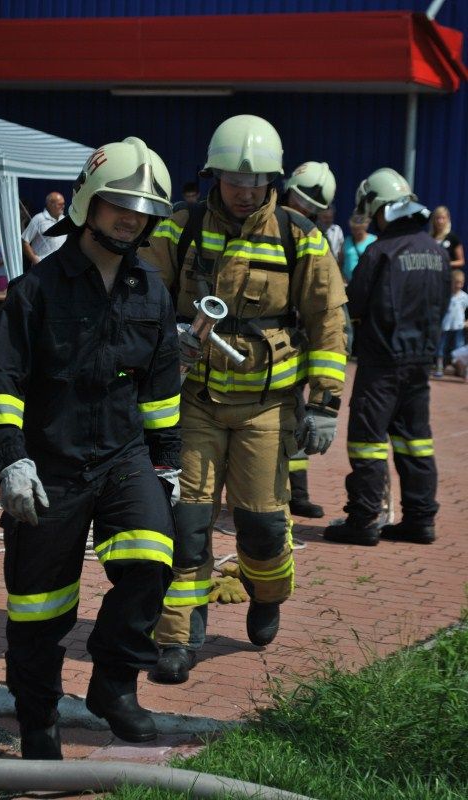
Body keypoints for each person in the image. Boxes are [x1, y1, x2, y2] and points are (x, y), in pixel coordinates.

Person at [0, 137, 181, 759]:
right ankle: (38, 722)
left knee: (151, 558)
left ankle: (113, 684)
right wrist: (11, 461)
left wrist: (166, 466)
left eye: (144, 209)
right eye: (120, 203)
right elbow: (3, 387)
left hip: (123, 458)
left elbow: (161, 392)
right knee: (38, 610)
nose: (131, 218)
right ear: (89, 201)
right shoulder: (34, 291)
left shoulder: (151, 291)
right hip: (49, 466)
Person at [144, 116, 347, 684]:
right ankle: (178, 636)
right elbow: (143, 296)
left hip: (267, 407)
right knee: (187, 521)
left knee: (261, 525)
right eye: (235, 180)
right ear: (215, 175)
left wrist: (325, 403)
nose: (245, 191)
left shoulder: (298, 236)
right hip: (194, 401)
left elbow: (328, 319)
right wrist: (168, 336)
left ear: (272, 181)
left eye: (257, 181)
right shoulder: (179, 228)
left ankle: (267, 593)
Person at [324, 168, 450, 548]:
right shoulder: (437, 252)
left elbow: (354, 304)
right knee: (416, 441)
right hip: (420, 364)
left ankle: (363, 520)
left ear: (379, 208)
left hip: (381, 365)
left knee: (367, 442)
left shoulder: (380, 252)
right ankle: (420, 520)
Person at [283, 160, 341, 518]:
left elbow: (327, 308)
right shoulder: (267, 226)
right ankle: (290, 493)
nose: (301, 211)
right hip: (271, 346)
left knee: (297, 418)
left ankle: (297, 493)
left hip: (297, 346)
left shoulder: (314, 240)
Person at [434, 270, 468, 378]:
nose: (458, 285)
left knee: (459, 349)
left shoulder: (464, 296)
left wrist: (466, 322)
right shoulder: (445, 295)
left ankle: (461, 370)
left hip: (458, 327)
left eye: (461, 283)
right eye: (456, 283)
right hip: (445, 326)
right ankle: (439, 367)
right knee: (441, 347)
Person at [21, 191, 67, 266]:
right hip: (42, 266)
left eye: (63, 204)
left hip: (60, 266)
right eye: (60, 204)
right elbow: (24, 241)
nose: (63, 206)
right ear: (50, 204)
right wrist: (34, 259)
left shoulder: (64, 219)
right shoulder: (39, 219)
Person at [341, 213, 377, 284]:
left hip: (365, 283)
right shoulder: (347, 241)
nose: (356, 232)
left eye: (359, 230)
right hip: (347, 282)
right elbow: (341, 261)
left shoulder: (373, 240)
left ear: (365, 228)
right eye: (354, 229)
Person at [430, 205, 465, 271]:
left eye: (443, 218)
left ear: (448, 219)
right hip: (433, 274)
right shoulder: (429, 238)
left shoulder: (452, 237)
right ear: (433, 220)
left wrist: (446, 264)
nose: (440, 221)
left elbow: (461, 261)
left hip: (448, 274)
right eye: (438, 218)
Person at [317, 203, 344, 268]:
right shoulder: (314, 229)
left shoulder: (337, 230)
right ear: (319, 216)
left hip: (334, 265)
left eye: (330, 217)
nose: (328, 220)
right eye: (325, 217)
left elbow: (341, 249)